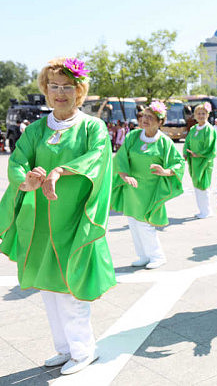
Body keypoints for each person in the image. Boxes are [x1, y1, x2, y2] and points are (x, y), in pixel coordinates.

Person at [0, 57, 115, 375]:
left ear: (79, 91)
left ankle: (84, 351)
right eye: (54, 86)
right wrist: (27, 179)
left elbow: (96, 161)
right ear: (45, 90)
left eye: (68, 87)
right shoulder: (36, 129)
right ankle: (65, 349)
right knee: (49, 288)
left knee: (70, 285)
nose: (60, 93)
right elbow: (18, 160)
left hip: (74, 219)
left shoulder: (93, 127)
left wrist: (61, 171)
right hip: (40, 221)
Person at [111, 101, 185, 269]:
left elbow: (178, 163)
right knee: (133, 222)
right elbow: (121, 158)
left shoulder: (164, 142)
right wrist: (124, 175)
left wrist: (165, 171)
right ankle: (143, 255)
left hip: (150, 189)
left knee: (145, 223)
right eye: (144, 116)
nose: (145, 119)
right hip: (132, 187)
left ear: (160, 122)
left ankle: (157, 256)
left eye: (150, 117)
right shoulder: (133, 136)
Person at [183, 102, 217, 218]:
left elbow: (210, 147)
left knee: (203, 185)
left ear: (207, 115)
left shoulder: (209, 129)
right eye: (198, 113)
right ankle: (202, 210)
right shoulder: (193, 129)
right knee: (196, 186)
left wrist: (199, 154)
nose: (201, 116)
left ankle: (207, 211)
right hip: (194, 162)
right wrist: (186, 153)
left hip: (204, 162)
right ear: (195, 115)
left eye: (203, 113)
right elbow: (187, 142)